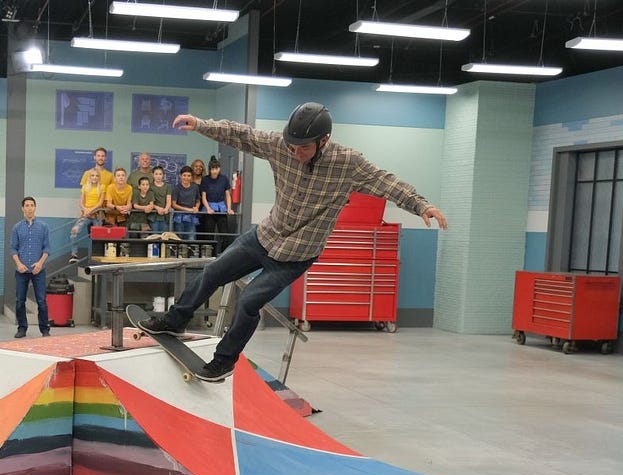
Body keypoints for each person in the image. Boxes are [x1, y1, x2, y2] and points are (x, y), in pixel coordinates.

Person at [138, 102, 448, 381]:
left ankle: (224, 360)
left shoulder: (348, 163)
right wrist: (201, 124)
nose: (295, 152)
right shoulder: (280, 145)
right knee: (214, 271)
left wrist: (420, 205)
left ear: (323, 141)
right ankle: (175, 320)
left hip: (296, 255)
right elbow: (242, 135)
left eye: (303, 148)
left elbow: (386, 182)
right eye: (293, 145)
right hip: (266, 235)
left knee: (248, 302)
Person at [10, 196, 51, 338]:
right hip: (21, 271)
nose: (29, 208)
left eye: (32, 205)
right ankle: (22, 328)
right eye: (26, 205)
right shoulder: (17, 228)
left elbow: (47, 248)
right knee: (20, 300)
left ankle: (45, 329)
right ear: (22, 209)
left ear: (35, 207)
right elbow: (13, 249)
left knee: (42, 301)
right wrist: (19, 264)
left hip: (38, 270)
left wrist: (40, 263)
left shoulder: (43, 227)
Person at [69, 169, 104, 262]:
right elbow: (81, 202)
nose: (94, 177)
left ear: (99, 178)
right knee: (74, 232)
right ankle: (74, 255)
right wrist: (85, 210)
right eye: (92, 175)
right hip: (85, 215)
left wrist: (90, 210)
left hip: (97, 216)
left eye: (97, 176)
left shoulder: (102, 187)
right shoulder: (85, 187)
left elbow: (100, 203)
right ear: (89, 177)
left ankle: (96, 256)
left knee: (98, 236)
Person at [200, 159, 235, 251]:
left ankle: (223, 255)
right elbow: (203, 196)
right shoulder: (205, 179)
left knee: (224, 234)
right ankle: (209, 254)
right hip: (209, 208)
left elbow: (227, 195)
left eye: (217, 168)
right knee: (209, 234)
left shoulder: (224, 179)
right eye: (212, 169)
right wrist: (208, 208)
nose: (215, 171)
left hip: (221, 208)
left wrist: (229, 208)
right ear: (209, 169)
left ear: (219, 169)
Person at [171, 167, 201, 240]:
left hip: (191, 217)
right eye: (184, 175)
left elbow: (198, 200)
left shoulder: (195, 187)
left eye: (188, 176)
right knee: (179, 239)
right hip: (179, 217)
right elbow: (173, 204)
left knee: (191, 238)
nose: (186, 178)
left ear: (191, 177)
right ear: (180, 176)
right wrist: (187, 209)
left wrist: (196, 207)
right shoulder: (176, 188)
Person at [149, 166, 172, 234]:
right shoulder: (149, 186)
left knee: (164, 237)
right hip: (153, 216)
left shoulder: (168, 186)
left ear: (163, 175)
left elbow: (169, 201)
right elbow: (149, 201)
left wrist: (166, 209)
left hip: (165, 216)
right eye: (156, 174)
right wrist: (157, 208)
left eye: (160, 174)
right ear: (153, 175)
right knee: (155, 236)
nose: (158, 176)